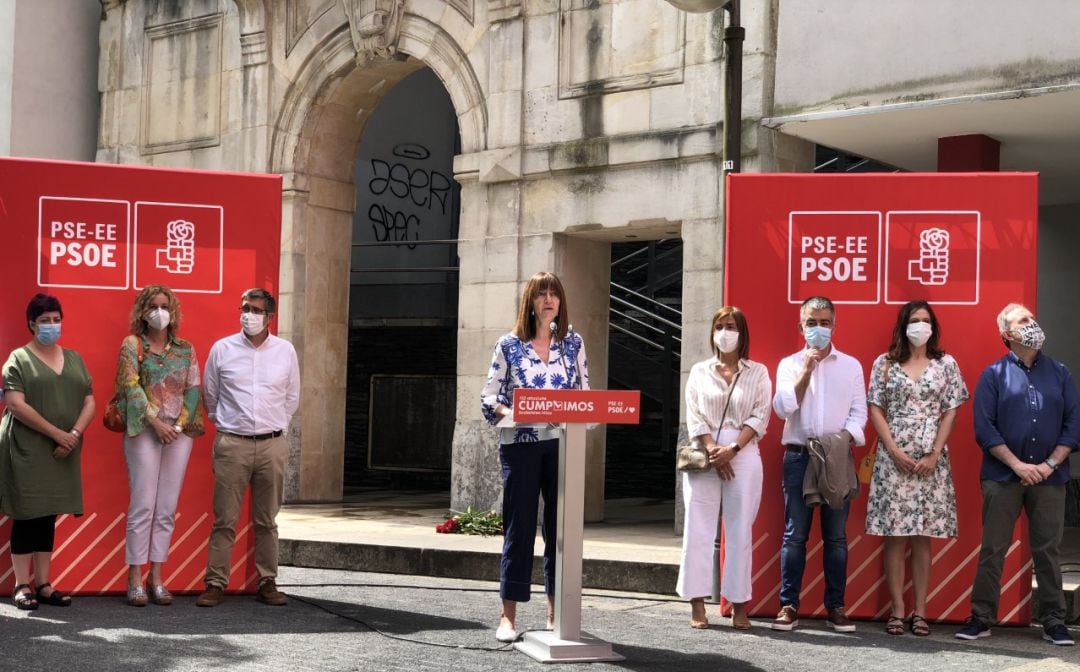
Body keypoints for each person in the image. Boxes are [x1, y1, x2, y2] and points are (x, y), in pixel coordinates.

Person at [956, 303, 1077, 647]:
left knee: (1048, 551)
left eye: (1033, 319)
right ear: (1007, 334)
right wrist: (1019, 465)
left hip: (1050, 479)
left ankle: (1054, 622)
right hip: (1002, 477)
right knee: (994, 549)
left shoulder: (1060, 373)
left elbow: (1073, 424)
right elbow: (985, 429)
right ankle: (981, 618)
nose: (1032, 324)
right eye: (1023, 321)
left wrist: (1049, 464)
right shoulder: (993, 375)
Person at [480, 271, 589, 643]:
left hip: (561, 444)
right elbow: (488, 399)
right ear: (530, 301)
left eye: (554, 293)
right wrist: (515, 413)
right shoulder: (509, 345)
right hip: (521, 446)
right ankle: (507, 616)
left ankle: (556, 612)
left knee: (561, 532)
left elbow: (584, 394)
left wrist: (573, 415)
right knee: (520, 528)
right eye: (541, 293)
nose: (548, 299)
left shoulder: (573, 343)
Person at [865, 300, 968, 636]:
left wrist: (935, 454)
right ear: (903, 325)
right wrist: (893, 450)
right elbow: (875, 409)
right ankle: (897, 610)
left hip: (930, 460)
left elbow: (951, 410)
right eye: (914, 320)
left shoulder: (946, 364)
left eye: (926, 320)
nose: (920, 325)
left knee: (923, 537)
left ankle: (920, 611)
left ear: (933, 326)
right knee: (895, 536)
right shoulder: (885, 363)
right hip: (893, 460)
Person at [195, 288, 300, 608]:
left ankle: (267, 581)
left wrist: (273, 426)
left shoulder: (285, 351)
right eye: (244, 308)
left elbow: (291, 397)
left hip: (272, 445)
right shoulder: (222, 349)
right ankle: (215, 583)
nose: (248, 315)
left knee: (267, 519)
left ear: (270, 316)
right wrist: (228, 424)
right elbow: (210, 396)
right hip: (232, 444)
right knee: (225, 519)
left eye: (255, 310)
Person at [771, 296, 867, 633]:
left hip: (837, 458)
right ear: (801, 327)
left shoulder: (851, 365)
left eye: (825, 323)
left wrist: (843, 440)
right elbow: (783, 409)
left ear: (834, 325)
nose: (819, 329)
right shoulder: (789, 364)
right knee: (795, 534)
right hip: (799, 456)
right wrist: (807, 370)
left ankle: (836, 607)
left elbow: (860, 413)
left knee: (836, 537)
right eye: (812, 323)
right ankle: (788, 606)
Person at [677, 306, 771, 630]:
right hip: (705, 454)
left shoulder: (757, 372)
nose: (725, 332)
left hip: (743, 454)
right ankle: (697, 602)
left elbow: (760, 415)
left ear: (742, 333)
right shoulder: (700, 371)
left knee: (740, 531)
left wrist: (732, 449)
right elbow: (694, 414)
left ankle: (739, 603)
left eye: (731, 326)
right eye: (720, 326)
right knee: (698, 529)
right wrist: (714, 450)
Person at [0, 294, 95, 610]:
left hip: (64, 449)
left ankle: (43, 583)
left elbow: (89, 400)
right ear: (31, 324)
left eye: (56, 319)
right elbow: (15, 404)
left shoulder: (75, 358)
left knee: (48, 515)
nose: (52, 326)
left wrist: (73, 435)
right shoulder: (18, 359)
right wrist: (57, 434)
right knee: (27, 514)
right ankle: (21, 585)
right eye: (45, 321)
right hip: (28, 447)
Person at [116, 285, 204, 606]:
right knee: (143, 506)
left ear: (173, 310)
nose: (159, 311)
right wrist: (156, 422)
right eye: (153, 305)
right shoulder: (132, 345)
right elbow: (130, 386)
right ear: (142, 311)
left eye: (165, 305)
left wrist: (178, 425)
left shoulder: (185, 348)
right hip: (144, 431)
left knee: (166, 508)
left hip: (178, 435)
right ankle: (135, 576)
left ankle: (157, 576)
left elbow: (194, 388)